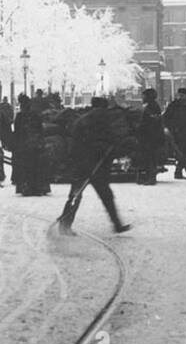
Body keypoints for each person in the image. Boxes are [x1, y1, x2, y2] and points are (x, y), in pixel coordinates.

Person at [56, 97, 131, 235]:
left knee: (76, 194)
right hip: (95, 164)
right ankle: (116, 224)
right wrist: (108, 147)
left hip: (83, 163)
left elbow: (76, 143)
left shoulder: (82, 120)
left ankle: (65, 224)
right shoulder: (101, 120)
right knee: (104, 195)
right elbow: (107, 140)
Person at [11, 92, 48, 196]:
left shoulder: (20, 116)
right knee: (37, 165)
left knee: (25, 166)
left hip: (24, 145)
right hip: (35, 143)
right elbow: (40, 129)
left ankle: (26, 187)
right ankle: (39, 187)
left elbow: (17, 131)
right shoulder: (35, 115)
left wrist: (16, 144)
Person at [134, 88, 165, 185]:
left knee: (150, 158)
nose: (142, 98)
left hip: (150, 136)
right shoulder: (152, 106)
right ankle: (148, 177)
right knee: (148, 157)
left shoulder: (151, 107)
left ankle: (151, 178)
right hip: (150, 136)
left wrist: (139, 128)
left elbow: (150, 121)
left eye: (143, 96)